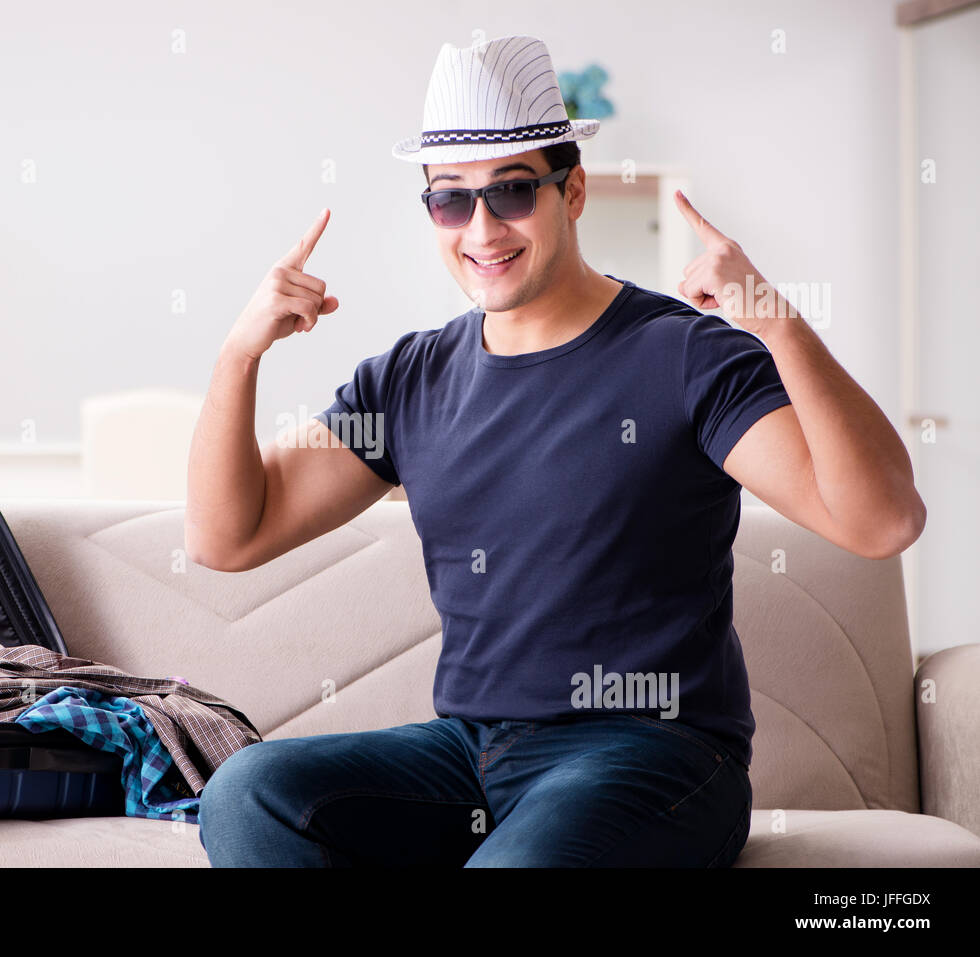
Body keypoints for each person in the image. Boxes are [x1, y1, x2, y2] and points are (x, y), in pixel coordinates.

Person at [184, 35, 925, 867]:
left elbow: (883, 520)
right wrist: (238, 356)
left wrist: (774, 318)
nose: (483, 228)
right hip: (472, 754)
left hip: (654, 757)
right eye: (451, 201)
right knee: (249, 793)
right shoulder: (410, 379)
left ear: (573, 190)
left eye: (512, 191)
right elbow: (226, 537)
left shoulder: (685, 357)